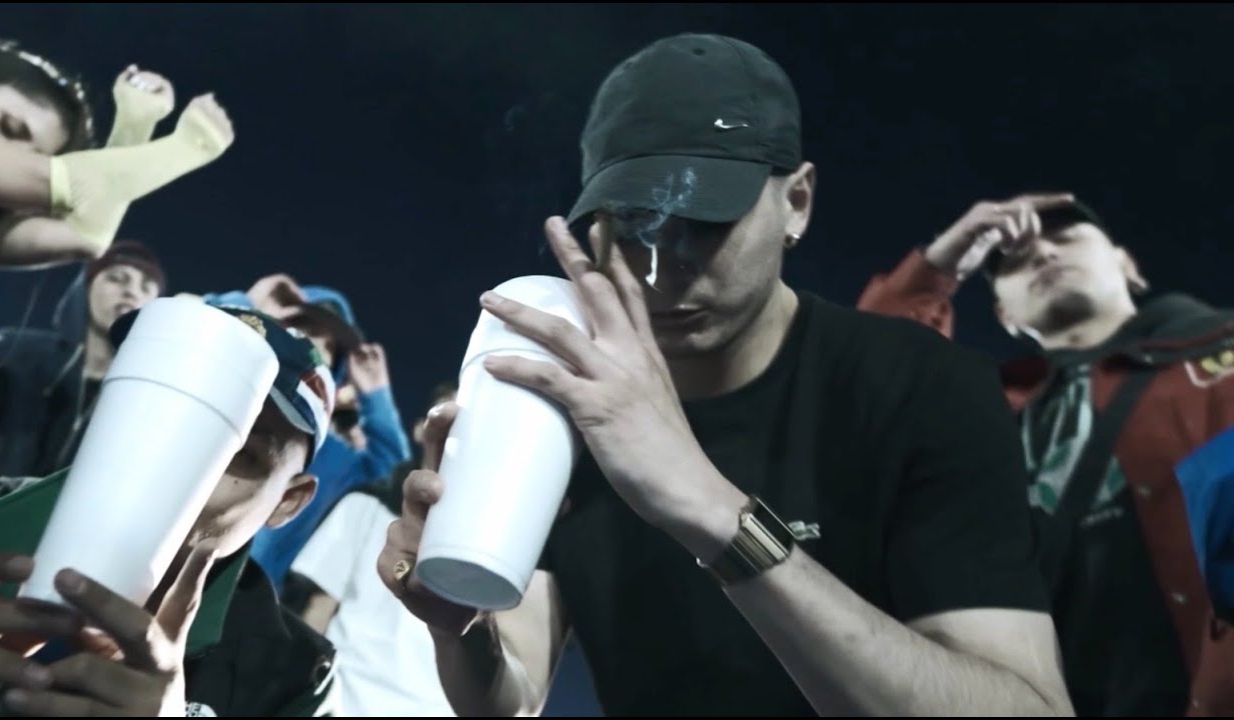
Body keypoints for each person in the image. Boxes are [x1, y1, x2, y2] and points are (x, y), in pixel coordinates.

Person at [378, 33, 1073, 717]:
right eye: (635, 223)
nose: (663, 268)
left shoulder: (921, 386)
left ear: (796, 201)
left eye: (705, 220)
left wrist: (712, 509)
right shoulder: (565, 402)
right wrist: (459, 629)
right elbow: (513, 698)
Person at [858, 194, 1234, 715]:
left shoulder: (1222, 352)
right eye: (1015, 261)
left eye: (1066, 238)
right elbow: (868, 380)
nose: (1042, 253)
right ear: (1004, 315)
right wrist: (942, 263)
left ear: (1127, 266)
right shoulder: (984, 411)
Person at [0, 306, 339, 717]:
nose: (177, 456)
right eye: (159, 410)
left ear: (287, 501)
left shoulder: (294, 675)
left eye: (238, 451)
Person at [0, 37, 228, 394]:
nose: (13, 161)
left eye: (34, 156)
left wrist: (134, 124)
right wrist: (190, 146)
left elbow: (85, 235)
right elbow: (73, 183)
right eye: (9, 128)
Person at [206, 276, 410, 590]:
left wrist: (376, 395)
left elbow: (393, 473)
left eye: (330, 348)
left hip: (242, 598)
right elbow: (189, 338)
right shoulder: (220, 385)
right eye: (306, 329)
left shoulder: (329, 452)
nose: (317, 346)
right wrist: (247, 306)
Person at [287, 382, 460, 717]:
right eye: (448, 421)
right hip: (341, 704)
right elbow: (316, 613)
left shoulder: (498, 545)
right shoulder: (365, 506)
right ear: (421, 429)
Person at [0, 241, 166, 477]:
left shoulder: (143, 402)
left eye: (146, 288)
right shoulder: (11, 351)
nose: (132, 292)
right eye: (116, 278)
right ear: (85, 288)